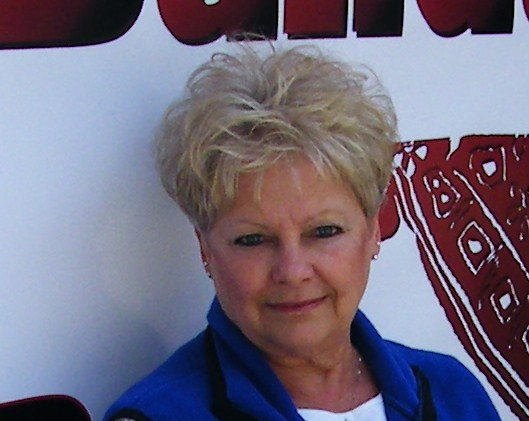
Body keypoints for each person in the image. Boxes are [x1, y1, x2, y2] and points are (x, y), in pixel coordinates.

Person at [103, 44, 500, 421]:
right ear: (205, 249)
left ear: (373, 231)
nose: (292, 271)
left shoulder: (452, 393)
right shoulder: (160, 414)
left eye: (324, 231)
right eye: (253, 240)